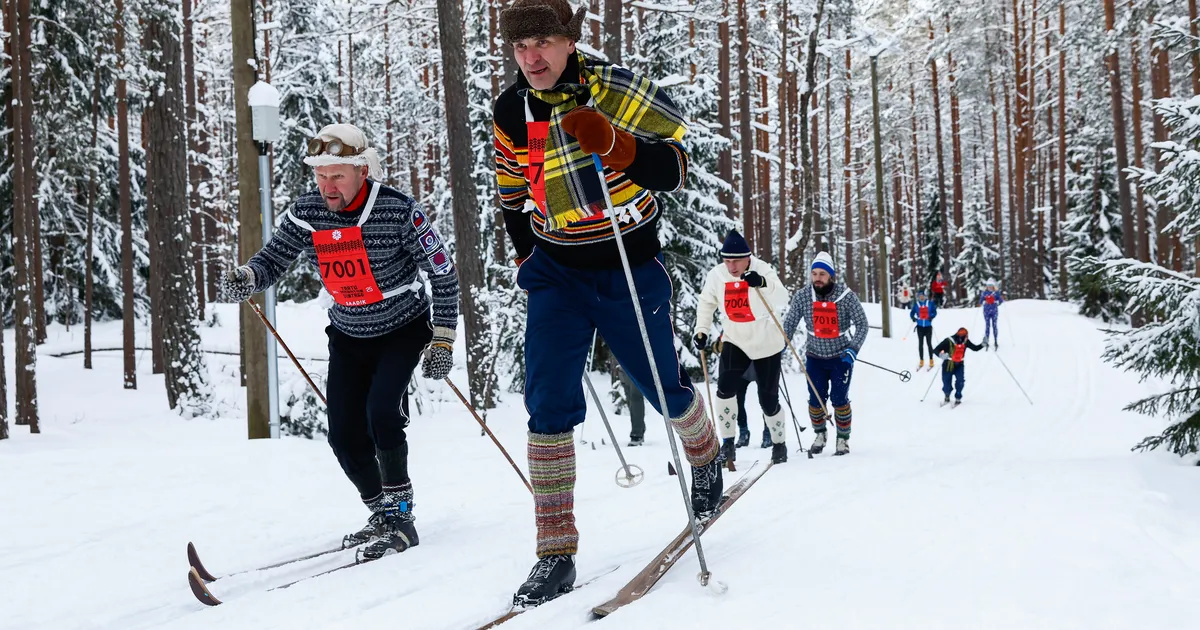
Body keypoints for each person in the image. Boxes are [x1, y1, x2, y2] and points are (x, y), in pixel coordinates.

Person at [493, 0, 721, 607]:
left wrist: (617, 145)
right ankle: (555, 551)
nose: (531, 58)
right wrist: (524, 259)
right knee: (546, 405)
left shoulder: (616, 90)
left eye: (542, 42)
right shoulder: (510, 109)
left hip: (628, 265)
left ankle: (704, 454)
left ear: (570, 41)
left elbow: (673, 167)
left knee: (661, 384)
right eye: (520, 47)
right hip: (556, 271)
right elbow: (512, 193)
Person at [217, 123, 460, 561]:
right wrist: (248, 277)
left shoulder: (400, 211)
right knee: (344, 435)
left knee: (382, 412)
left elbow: (443, 274)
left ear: (361, 171)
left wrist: (442, 339)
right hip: (348, 333)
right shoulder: (307, 212)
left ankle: (403, 518)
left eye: (338, 176)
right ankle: (382, 512)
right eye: (320, 176)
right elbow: (274, 258)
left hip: (402, 327)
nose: (328, 186)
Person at [693, 230, 791, 465]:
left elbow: (783, 298)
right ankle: (728, 444)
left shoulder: (762, 268)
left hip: (765, 340)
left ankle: (779, 444)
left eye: (736, 261)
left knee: (768, 400)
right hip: (735, 338)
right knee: (725, 389)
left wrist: (763, 283)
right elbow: (706, 303)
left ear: (748, 257)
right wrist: (702, 330)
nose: (731, 266)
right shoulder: (717, 275)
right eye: (727, 260)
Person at [782, 252, 868, 456]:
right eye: (814, 273)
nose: (818, 278)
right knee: (815, 400)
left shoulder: (845, 296)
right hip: (814, 357)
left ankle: (843, 439)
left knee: (839, 399)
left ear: (831, 276)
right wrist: (782, 344)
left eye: (822, 274)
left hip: (841, 357)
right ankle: (820, 434)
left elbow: (862, 324)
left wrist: (853, 349)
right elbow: (790, 322)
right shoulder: (803, 296)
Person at [933, 327, 984, 406]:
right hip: (948, 364)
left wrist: (983, 344)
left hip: (959, 364)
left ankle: (958, 397)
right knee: (946, 382)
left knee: (960, 381)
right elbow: (936, 350)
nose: (966, 338)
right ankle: (947, 395)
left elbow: (975, 348)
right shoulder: (948, 341)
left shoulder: (965, 341)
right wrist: (941, 355)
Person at [910, 288, 938, 369]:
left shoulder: (929, 303)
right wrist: (913, 318)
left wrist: (931, 317)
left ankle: (931, 360)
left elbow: (934, 312)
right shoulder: (916, 305)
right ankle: (921, 360)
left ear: (925, 296)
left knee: (929, 344)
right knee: (920, 344)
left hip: (928, 327)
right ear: (918, 297)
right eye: (920, 296)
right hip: (920, 327)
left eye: (922, 296)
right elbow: (912, 313)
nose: (921, 297)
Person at [979, 280, 1004, 350]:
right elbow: (980, 301)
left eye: (991, 286)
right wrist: (985, 301)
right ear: (987, 287)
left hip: (994, 311)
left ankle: (996, 341)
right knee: (987, 326)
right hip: (986, 311)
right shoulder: (984, 293)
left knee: (994, 325)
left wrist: (995, 301)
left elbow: (1001, 301)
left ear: (993, 287)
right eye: (988, 286)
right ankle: (987, 341)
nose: (990, 287)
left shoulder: (996, 293)